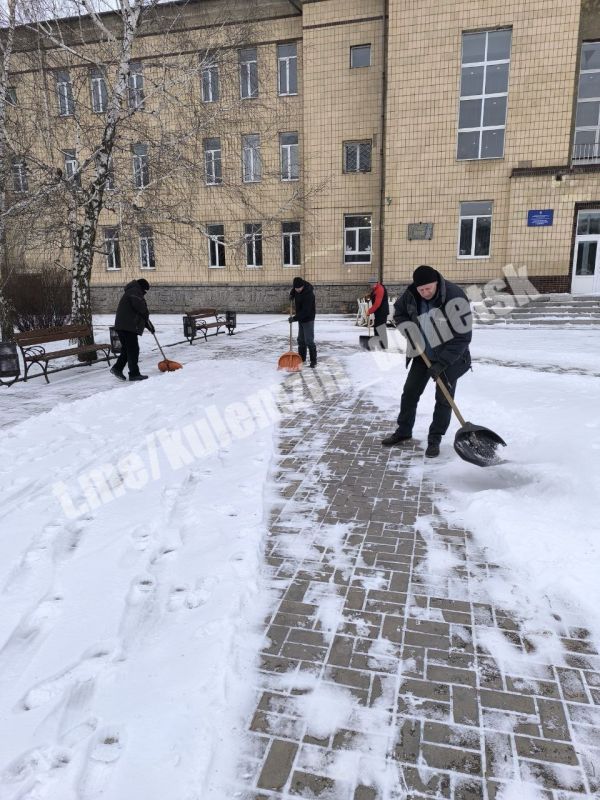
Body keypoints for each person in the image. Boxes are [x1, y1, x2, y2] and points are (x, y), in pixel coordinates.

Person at [382, 265, 472, 458]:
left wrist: (442, 363)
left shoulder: (455, 297)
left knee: (443, 400)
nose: (424, 293)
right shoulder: (412, 293)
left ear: (436, 283)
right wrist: (408, 329)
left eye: (428, 289)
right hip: (422, 354)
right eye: (421, 289)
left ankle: (435, 439)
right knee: (410, 393)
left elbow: (463, 337)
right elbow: (399, 312)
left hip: (450, 358)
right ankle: (404, 431)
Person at [110, 278, 155, 382]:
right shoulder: (135, 292)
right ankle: (134, 374)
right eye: (145, 291)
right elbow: (141, 309)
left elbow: (139, 312)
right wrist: (147, 318)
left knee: (127, 350)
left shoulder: (132, 291)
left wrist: (149, 326)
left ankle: (117, 368)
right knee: (133, 350)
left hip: (123, 325)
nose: (145, 293)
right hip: (128, 326)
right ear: (142, 287)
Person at [289, 276, 317, 367]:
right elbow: (294, 290)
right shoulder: (296, 289)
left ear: (303, 286)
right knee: (301, 340)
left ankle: (313, 361)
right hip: (300, 318)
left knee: (309, 340)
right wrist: (292, 294)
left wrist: (294, 318)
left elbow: (306, 311)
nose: (298, 290)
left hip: (308, 318)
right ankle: (301, 358)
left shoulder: (309, 294)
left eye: (299, 288)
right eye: (296, 288)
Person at [365, 276, 389, 349]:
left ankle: (383, 346)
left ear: (376, 283)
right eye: (370, 284)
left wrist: (369, 311)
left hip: (382, 312)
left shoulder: (380, 289)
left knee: (380, 329)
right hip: (379, 312)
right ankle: (378, 345)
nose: (371, 285)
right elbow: (374, 296)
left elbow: (377, 304)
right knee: (377, 328)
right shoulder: (375, 289)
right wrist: (369, 296)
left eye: (372, 284)